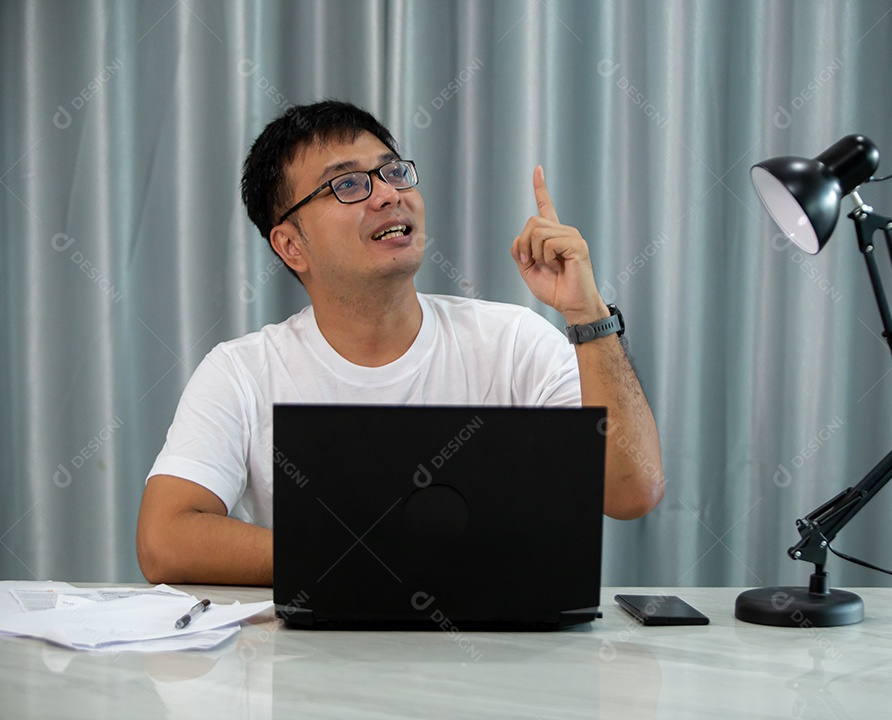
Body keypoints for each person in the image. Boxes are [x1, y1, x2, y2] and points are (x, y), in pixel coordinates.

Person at [136, 100, 663, 586]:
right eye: (346, 185)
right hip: (311, 670)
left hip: (500, 665)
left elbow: (631, 491)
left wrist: (586, 314)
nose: (389, 193)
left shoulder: (513, 341)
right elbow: (164, 540)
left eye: (393, 171)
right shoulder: (242, 371)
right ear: (291, 245)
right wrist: (366, 559)